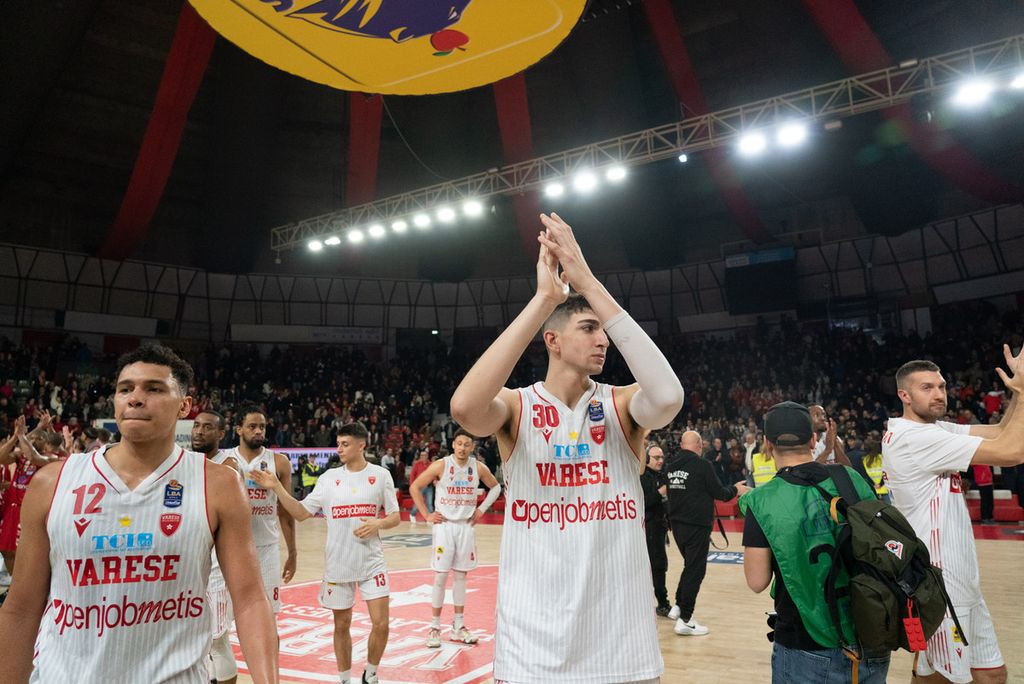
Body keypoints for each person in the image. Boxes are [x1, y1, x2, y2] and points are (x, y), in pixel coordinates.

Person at [450, 213, 684, 683]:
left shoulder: (621, 404)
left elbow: (668, 397)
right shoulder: (517, 407)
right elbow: (465, 408)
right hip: (534, 647)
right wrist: (544, 300)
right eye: (589, 328)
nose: (603, 339)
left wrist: (589, 282)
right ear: (552, 341)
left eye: (603, 330)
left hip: (622, 647)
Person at [0, 344, 278, 682]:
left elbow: (249, 599)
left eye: (154, 389)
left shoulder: (219, 483)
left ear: (185, 406)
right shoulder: (52, 482)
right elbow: (21, 609)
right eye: (125, 389)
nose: (135, 398)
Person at [884, 354, 1024, 684]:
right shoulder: (915, 438)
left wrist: (1017, 392)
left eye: (942, 386)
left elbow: (1000, 431)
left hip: (962, 581)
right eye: (927, 388)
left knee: (991, 674)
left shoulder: (935, 429)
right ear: (904, 395)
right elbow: (1012, 451)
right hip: (938, 583)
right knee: (945, 678)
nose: (938, 394)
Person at [740, 401, 890, 683]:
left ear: (768, 444)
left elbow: (756, 581)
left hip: (806, 643)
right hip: (870, 633)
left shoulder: (761, 500)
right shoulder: (851, 478)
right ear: (812, 439)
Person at [251, 422, 400, 684]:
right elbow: (301, 513)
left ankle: (371, 674)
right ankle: (345, 679)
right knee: (341, 624)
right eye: (338, 444)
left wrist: (378, 523)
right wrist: (276, 487)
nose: (339, 448)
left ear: (361, 445)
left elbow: (395, 516)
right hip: (338, 563)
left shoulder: (380, 475)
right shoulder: (329, 478)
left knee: (382, 624)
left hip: (372, 561)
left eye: (345, 444)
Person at [408, 428, 501, 647]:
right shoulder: (441, 465)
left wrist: (482, 509)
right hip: (445, 526)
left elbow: (496, 487)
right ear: (453, 445)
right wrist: (426, 514)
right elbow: (415, 487)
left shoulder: (477, 467)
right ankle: (434, 627)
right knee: (441, 577)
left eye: (466, 444)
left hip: (465, 526)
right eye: (459, 443)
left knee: (461, 577)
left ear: (472, 447)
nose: (462, 448)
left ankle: (458, 627)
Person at [664, 430, 748, 635]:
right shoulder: (703, 465)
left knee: (689, 566)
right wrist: (736, 489)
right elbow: (720, 493)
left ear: (682, 445)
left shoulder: (670, 466)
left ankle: (678, 606)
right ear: (699, 446)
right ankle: (686, 620)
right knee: (696, 570)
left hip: (677, 526)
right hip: (696, 525)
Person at [220, 405, 297, 616]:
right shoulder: (223, 460)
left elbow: (285, 512)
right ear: (239, 429)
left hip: (267, 548)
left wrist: (293, 552)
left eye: (262, 427)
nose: (258, 431)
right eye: (252, 426)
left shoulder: (279, 462)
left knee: (268, 615)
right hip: (230, 548)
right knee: (224, 617)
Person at [191, 409, 243, 684]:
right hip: (193, 564)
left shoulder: (228, 466)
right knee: (200, 639)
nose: (199, 431)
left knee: (217, 641)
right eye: (196, 425)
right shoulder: (189, 463)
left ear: (221, 434)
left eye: (207, 427)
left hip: (217, 568)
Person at [640, 443, 670, 617]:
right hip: (648, 528)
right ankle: (662, 603)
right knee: (656, 566)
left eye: (661, 457)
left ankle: (661, 602)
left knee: (660, 565)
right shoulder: (641, 477)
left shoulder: (662, 475)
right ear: (647, 458)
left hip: (659, 527)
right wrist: (660, 492)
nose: (660, 460)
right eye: (656, 457)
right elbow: (643, 502)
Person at [407, 449, 433, 526]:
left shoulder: (431, 464)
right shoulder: (417, 464)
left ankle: (429, 518)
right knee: (418, 502)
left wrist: (435, 480)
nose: (423, 457)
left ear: (427, 456)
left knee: (429, 503)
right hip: (419, 487)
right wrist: (412, 485)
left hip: (429, 486)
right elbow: (412, 475)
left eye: (424, 455)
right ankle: (412, 514)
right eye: (421, 455)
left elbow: (434, 474)